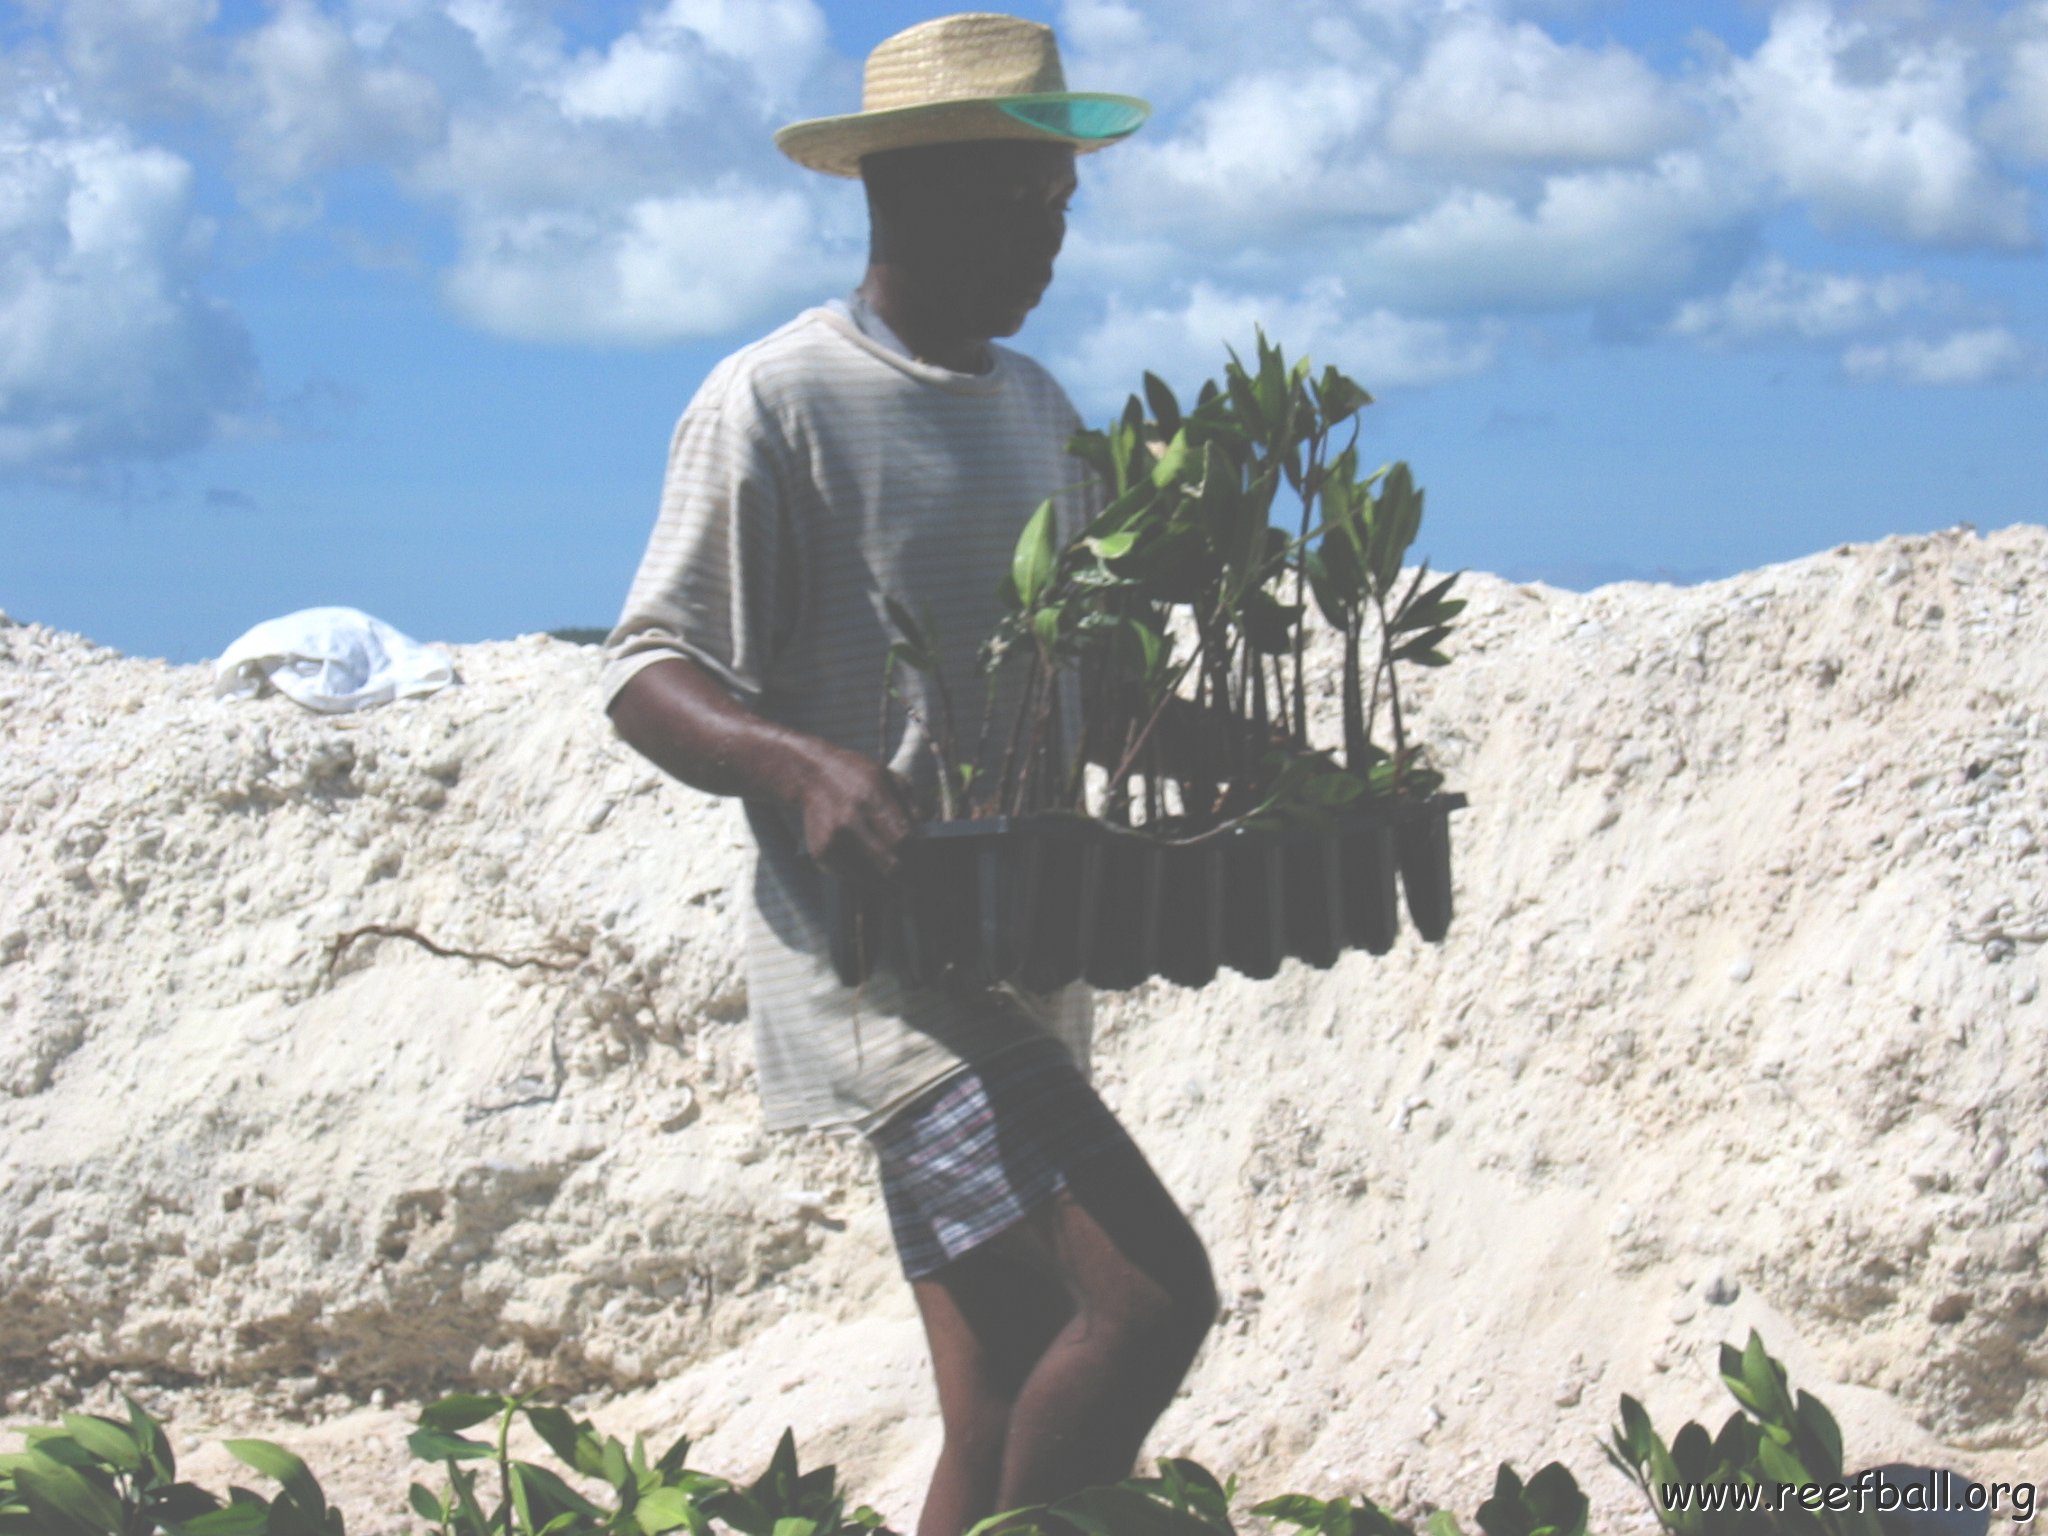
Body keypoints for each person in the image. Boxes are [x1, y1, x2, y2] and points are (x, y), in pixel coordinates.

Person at [601, 16, 1217, 1536]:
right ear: (913, 196)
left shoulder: (1038, 410)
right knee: (1151, 1303)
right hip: (886, 979)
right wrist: (791, 760)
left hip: (1019, 959)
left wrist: (1238, 749)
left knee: (1002, 1389)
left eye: (1064, 210)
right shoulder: (777, 402)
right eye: (1026, 208)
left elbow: (1088, 682)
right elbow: (644, 671)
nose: (1054, 245)